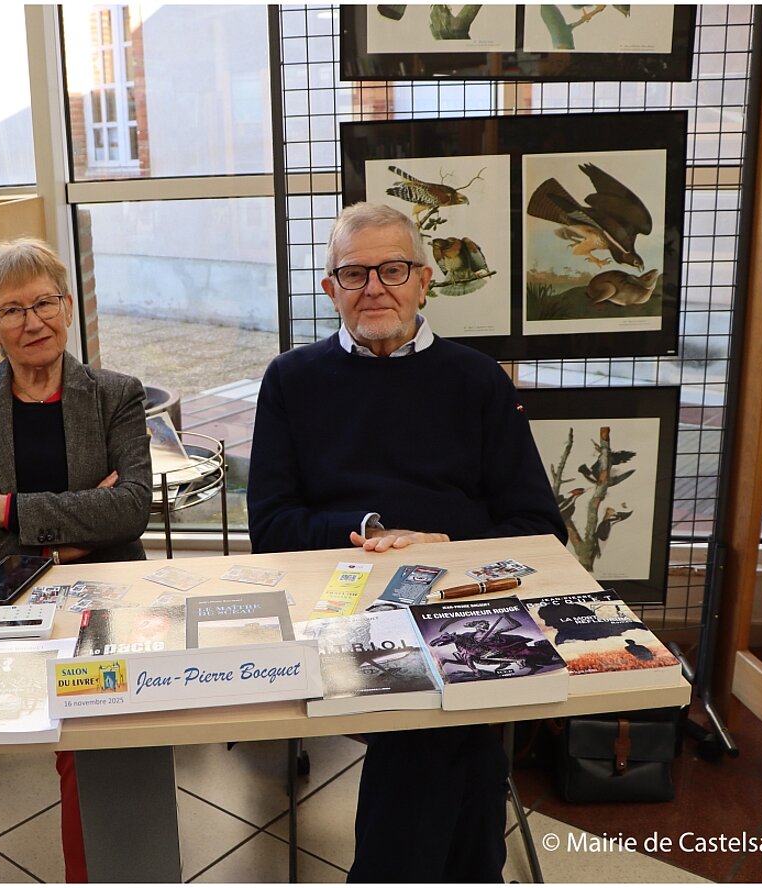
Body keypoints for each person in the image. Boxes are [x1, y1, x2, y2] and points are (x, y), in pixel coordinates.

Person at [247, 202, 566, 883]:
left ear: (424, 280)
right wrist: (369, 533)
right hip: (338, 603)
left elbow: (539, 528)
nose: (374, 288)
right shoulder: (291, 381)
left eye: (392, 270)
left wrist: (441, 546)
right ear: (330, 288)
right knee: (448, 717)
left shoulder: (478, 380)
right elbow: (270, 528)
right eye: (354, 274)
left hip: (458, 598)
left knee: (442, 700)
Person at [0, 237, 152, 883]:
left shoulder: (116, 395)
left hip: (100, 598)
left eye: (45, 302)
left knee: (87, 735)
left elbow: (131, 509)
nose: (34, 321)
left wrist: (12, 511)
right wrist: (56, 547)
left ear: (68, 307)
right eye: (12, 310)